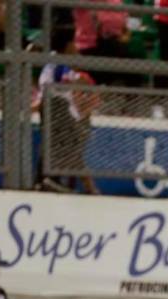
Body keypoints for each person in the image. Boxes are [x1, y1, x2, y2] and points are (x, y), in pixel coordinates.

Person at [33, 26, 100, 195]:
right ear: (68, 44)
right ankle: (88, 188)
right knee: (68, 150)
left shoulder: (57, 62)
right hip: (58, 108)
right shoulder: (58, 64)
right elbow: (66, 80)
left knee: (58, 147)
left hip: (57, 108)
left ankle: (45, 180)